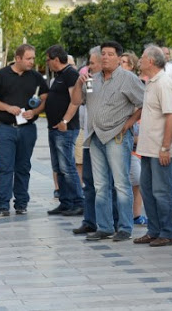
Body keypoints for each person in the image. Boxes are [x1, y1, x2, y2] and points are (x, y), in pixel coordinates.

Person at [79, 41, 145, 242]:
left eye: (110, 54)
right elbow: (78, 100)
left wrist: (130, 123)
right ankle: (105, 226)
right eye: (103, 54)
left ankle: (125, 227)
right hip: (96, 136)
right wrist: (79, 82)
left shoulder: (128, 78)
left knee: (121, 183)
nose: (105, 57)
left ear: (118, 57)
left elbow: (144, 103)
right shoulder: (93, 79)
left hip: (117, 136)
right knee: (100, 184)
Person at [0, 44, 49, 216]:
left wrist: (34, 111)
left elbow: (45, 97)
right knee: (5, 167)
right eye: (28, 58)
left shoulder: (35, 77)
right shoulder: (1, 75)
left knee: (23, 167)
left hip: (27, 129)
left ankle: (21, 203)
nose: (32, 62)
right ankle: (3, 204)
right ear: (18, 58)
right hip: (4, 128)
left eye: (33, 58)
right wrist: (7, 107)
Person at [132, 45, 172, 247]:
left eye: (142, 58)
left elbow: (171, 115)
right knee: (148, 189)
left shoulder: (163, 83)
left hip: (161, 149)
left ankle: (168, 232)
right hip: (148, 148)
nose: (139, 61)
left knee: (162, 192)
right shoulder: (151, 82)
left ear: (151, 62)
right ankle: (154, 230)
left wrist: (165, 147)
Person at [45, 45, 84, 216]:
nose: (47, 63)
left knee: (67, 166)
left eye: (47, 60)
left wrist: (64, 121)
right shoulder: (59, 75)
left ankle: (78, 202)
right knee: (58, 167)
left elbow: (75, 100)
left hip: (65, 129)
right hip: (54, 128)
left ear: (55, 59)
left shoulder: (70, 74)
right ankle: (65, 201)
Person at [72, 47, 102, 235]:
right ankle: (89, 220)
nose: (89, 67)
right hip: (89, 137)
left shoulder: (115, 81)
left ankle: (112, 222)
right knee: (89, 181)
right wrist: (78, 83)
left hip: (106, 138)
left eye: (92, 63)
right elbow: (76, 101)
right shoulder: (89, 81)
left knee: (108, 184)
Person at [120, 50, 147, 226]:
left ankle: (136, 214)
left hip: (136, 133)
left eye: (124, 62)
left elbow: (143, 107)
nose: (120, 64)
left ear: (131, 66)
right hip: (121, 137)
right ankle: (125, 215)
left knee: (136, 179)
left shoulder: (138, 83)